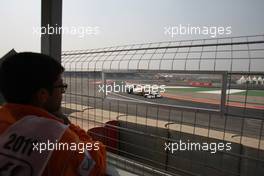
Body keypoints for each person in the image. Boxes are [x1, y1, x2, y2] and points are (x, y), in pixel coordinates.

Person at [0, 52, 106, 175]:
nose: (62, 92)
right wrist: (67, 125)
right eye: (61, 86)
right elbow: (96, 165)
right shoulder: (61, 138)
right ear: (43, 95)